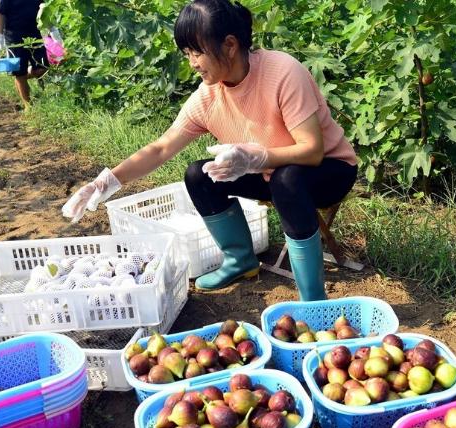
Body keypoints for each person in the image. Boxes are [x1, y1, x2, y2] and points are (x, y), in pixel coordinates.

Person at [62, 0, 358, 302]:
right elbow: (162, 147)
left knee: (287, 179)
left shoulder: (282, 72)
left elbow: (312, 151)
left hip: (329, 170)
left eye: (197, 52)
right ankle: (240, 260)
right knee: (199, 175)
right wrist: (108, 181)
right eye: (187, 53)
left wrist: (258, 158)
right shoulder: (208, 97)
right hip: (271, 171)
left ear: (229, 45)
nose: (192, 62)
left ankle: (313, 297)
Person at [0, 0, 48, 109]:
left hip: (35, 36)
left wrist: (52, 29)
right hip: (14, 38)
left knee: (42, 69)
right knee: (19, 73)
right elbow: (0, 14)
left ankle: (25, 73)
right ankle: (28, 105)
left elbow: (44, 9)